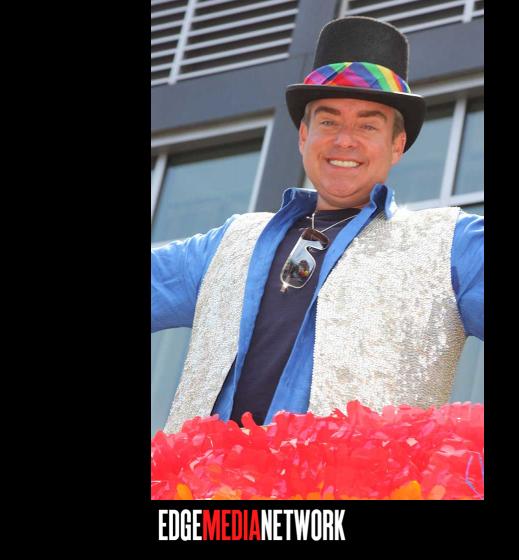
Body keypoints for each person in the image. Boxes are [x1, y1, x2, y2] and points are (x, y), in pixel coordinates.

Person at [152, 16, 484, 434]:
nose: (345, 140)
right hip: (208, 475)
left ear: (397, 145)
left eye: (368, 125)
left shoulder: (452, 245)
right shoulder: (228, 242)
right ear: (303, 136)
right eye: (328, 122)